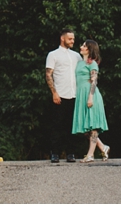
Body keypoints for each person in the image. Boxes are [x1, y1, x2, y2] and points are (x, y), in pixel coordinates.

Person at [45, 28, 82, 163]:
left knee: (71, 126)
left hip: (74, 95)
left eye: (73, 39)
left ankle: (70, 153)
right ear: (62, 38)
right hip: (60, 94)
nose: (73, 41)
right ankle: (55, 153)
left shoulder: (76, 55)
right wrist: (54, 92)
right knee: (57, 125)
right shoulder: (53, 55)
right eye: (70, 39)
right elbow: (48, 74)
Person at [72, 40, 110, 162]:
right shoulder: (79, 63)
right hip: (81, 95)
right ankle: (103, 147)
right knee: (85, 127)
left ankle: (90, 155)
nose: (81, 47)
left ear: (90, 49)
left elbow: (94, 81)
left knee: (93, 125)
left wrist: (90, 97)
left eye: (84, 46)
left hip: (90, 94)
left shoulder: (92, 64)